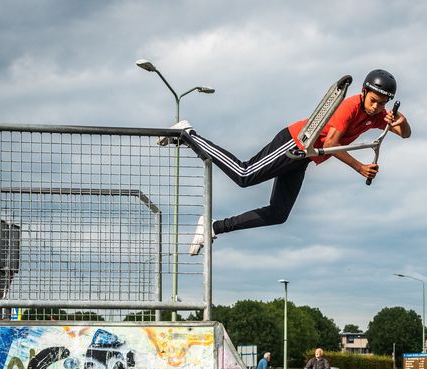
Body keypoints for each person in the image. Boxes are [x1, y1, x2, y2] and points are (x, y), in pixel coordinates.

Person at [168, 70, 411, 255]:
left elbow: (405, 133)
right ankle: (188, 134)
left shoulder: (378, 116)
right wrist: (360, 167)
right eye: (373, 100)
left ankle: (213, 227)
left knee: (279, 213)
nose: (377, 106)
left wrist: (400, 119)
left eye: (382, 103)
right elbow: (331, 144)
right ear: (364, 92)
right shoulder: (349, 107)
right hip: (295, 143)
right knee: (244, 175)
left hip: (303, 157)